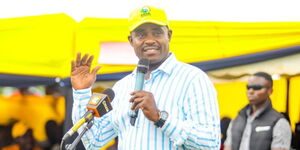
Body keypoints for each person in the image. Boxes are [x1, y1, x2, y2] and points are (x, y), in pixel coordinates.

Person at [71, 5, 220, 149]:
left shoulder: (193, 79)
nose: (149, 40)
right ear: (131, 40)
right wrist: (82, 92)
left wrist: (160, 117)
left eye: (157, 33)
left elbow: (210, 144)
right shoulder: (122, 87)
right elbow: (94, 141)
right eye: (141, 34)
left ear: (168, 35)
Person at [224, 72, 292, 150]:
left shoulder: (279, 122)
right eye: (248, 87)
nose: (251, 91)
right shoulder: (237, 119)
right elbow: (228, 147)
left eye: (257, 88)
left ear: (270, 91)